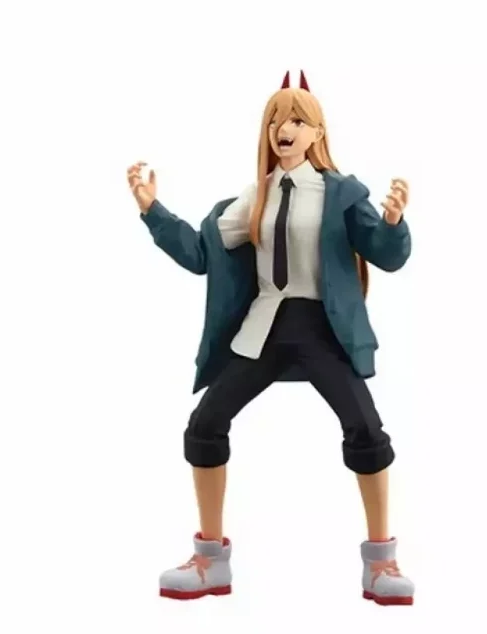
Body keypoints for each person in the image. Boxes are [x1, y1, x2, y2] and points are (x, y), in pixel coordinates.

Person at [126, 70, 414, 605]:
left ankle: (381, 561)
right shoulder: (253, 197)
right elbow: (200, 253)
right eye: (276, 120)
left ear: (317, 132)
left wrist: (394, 224)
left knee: (366, 430)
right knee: (205, 425)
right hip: (264, 328)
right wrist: (152, 211)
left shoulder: (341, 194)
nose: (285, 128)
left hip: (322, 329)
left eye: (297, 120)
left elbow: (385, 254)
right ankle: (210, 559)